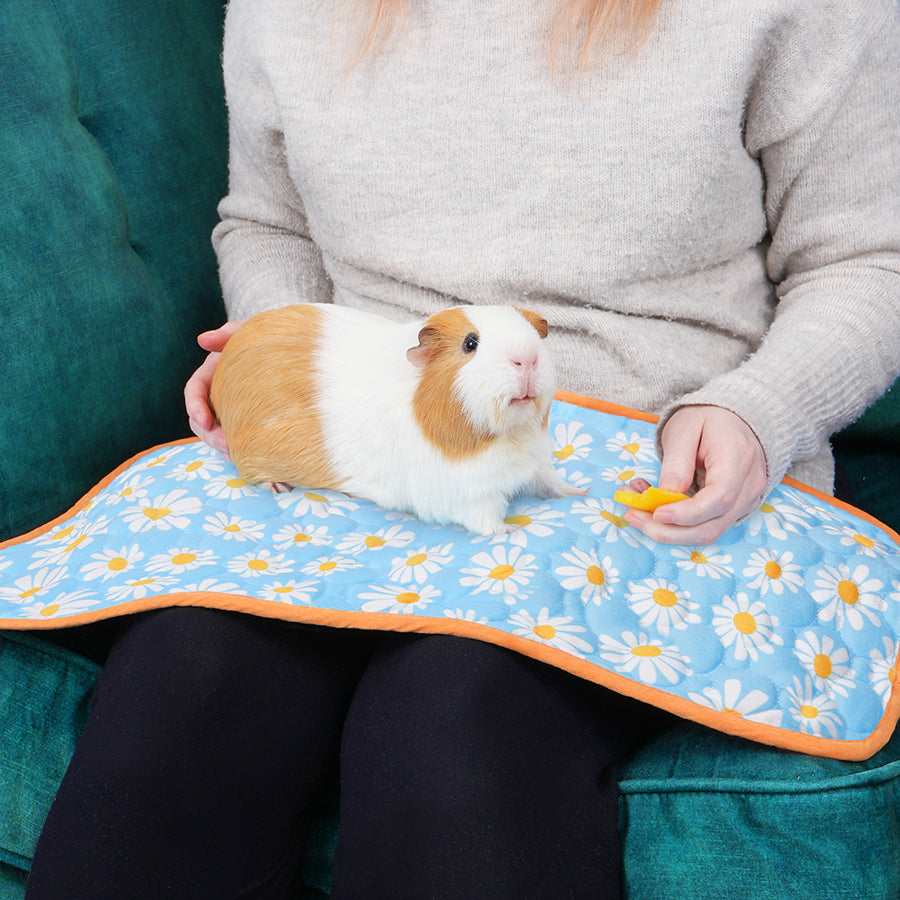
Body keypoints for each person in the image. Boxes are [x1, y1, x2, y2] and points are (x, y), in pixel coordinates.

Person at [26, 0, 900, 897]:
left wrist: (758, 411)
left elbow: (869, 257)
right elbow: (268, 222)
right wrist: (280, 351)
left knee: (448, 727)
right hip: (355, 457)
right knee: (183, 700)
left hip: (632, 473)